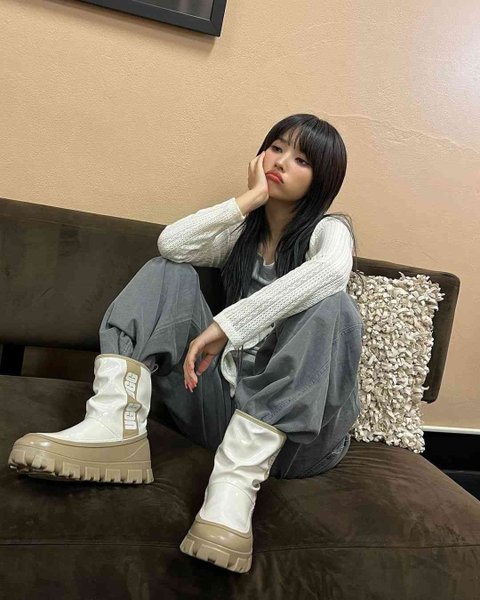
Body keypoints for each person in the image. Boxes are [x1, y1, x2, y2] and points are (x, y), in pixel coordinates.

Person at [8, 113, 365, 574]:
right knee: (167, 271)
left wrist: (226, 325)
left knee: (335, 306)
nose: (280, 162)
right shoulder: (244, 237)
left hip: (302, 443)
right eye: (276, 148)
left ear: (322, 180)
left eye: (301, 160)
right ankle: (115, 422)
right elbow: (172, 244)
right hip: (225, 418)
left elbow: (332, 273)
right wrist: (249, 200)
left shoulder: (329, 232)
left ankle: (233, 490)